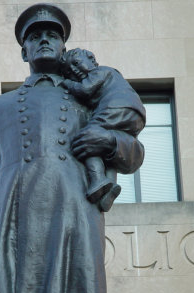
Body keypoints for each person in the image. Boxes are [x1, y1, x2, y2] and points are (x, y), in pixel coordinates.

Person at [0, 3, 145, 293]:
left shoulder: (87, 97)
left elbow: (134, 151)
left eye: (52, 34)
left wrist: (108, 140)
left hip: (78, 207)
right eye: (34, 36)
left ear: (63, 47)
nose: (44, 39)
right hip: (15, 213)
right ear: (24, 51)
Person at [61, 48, 146, 211]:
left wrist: (66, 82)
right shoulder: (110, 76)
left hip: (117, 107)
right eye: (69, 71)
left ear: (92, 60)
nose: (74, 71)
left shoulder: (99, 72)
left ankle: (98, 179)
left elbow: (84, 89)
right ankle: (109, 188)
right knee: (105, 155)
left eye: (77, 64)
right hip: (133, 114)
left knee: (89, 136)